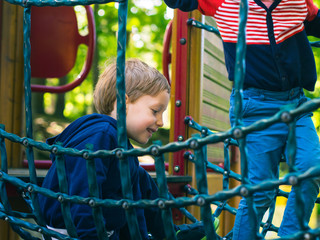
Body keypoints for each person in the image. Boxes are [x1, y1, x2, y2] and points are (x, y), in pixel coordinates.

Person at [164, 0, 320, 239]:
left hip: (296, 104)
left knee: (312, 170)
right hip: (254, 105)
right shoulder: (224, 2)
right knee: (261, 190)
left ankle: (290, 235)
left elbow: (315, 22)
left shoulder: (298, 2)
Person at [38, 58, 171, 240]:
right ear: (123, 102)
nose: (161, 121)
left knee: (140, 177)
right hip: (76, 232)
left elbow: (135, 204)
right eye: (155, 111)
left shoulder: (118, 143)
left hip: (105, 227)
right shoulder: (100, 136)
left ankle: (169, 232)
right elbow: (82, 196)